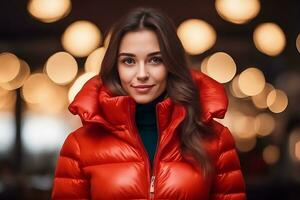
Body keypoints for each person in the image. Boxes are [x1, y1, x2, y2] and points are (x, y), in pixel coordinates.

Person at [51, 7, 246, 200]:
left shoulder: (217, 140)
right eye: (128, 61)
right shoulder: (79, 145)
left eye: (155, 60)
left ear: (171, 63)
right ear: (115, 66)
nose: (142, 74)